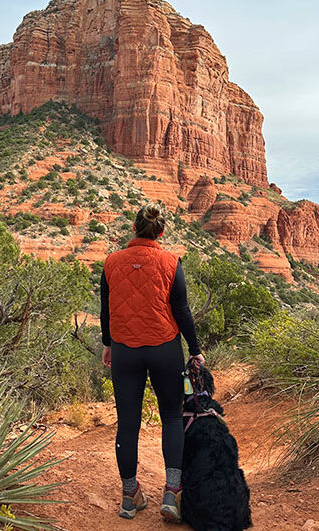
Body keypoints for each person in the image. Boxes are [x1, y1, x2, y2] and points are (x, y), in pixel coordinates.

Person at [100, 203, 204, 523]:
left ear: (134, 229)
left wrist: (108, 344)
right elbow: (182, 311)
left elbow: (106, 309)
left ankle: (129, 497)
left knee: (128, 423)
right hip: (164, 349)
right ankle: (172, 493)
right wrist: (195, 349)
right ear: (161, 232)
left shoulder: (111, 262)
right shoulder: (171, 261)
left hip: (125, 350)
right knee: (172, 417)